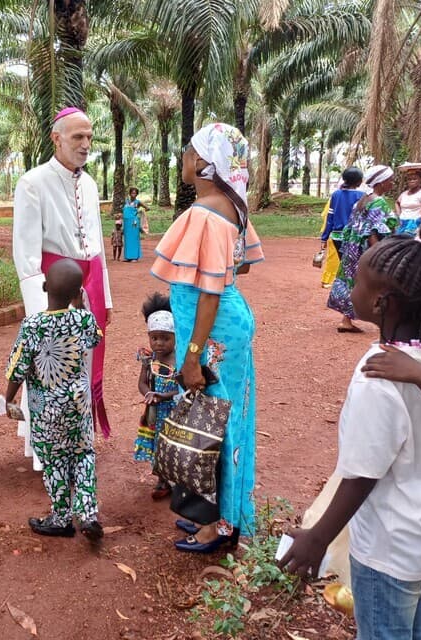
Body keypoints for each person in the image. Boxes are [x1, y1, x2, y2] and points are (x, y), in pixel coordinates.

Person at [280, 218, 421, 639]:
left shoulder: (376, 378)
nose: (350, 286)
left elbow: (361, 478)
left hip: (390, 547)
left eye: (357, 280)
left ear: (382, 302)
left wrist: (318, 539)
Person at [150, 122, 264, 553]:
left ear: (202, 162)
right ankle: (227, 514)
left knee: (215, 422)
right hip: (226, 326)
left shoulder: (204, 213)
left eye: (187, 154)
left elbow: (210, 293)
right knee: (228, 417)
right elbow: (241, 267)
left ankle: (217, 524)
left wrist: (193, 357)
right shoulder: (232, 206)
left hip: (211, 331)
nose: (182, 161)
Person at [12, 107, 113, 471]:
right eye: (77, 137)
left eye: (89, 137)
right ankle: (45, 452)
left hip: (89, 287)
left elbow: (98, 244)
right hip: (52, 289)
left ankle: (79, 441)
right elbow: (24, 253)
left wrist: (107, 297)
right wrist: (42, 310)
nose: (85, 144)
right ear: (56, 138)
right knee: (48, 370)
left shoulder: (89, 183)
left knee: (84, 366)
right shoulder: (32, 182)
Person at [3, 259, 104, 541]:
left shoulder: (33, 325)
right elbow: (95, 339)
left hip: (47, 410)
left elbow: (18, 368)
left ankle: (61, 518)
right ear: (78, 292)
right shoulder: (83, 319)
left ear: (45, 286)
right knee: (83, 455)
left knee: (54, 460)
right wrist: (82, 306)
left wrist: (9, 398)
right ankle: (88, 514)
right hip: (79, 406)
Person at [327, 165, 399, 333]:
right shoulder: (378, 202)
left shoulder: (363, 200)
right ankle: (391, 321)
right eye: (390, 180)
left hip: (352, 248)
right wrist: (378, 254)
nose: (393, 183)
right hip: (366, 250)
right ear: (380, 183)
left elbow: (354, 226)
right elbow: (373, 230)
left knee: (352, 281)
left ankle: (346, 320)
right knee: (383, 283)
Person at [133, 293, 177, 500]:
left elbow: (182, 388)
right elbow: (142, 382)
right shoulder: (148, 359)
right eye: (154, 338)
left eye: (165, 338)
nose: (159, 343)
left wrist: (164, 395)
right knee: (159, 446)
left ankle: (182, 482)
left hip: (177, 412)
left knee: (176, 446)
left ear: (176, 337)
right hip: (156, 412)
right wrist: (149, 394)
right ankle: (162, 481)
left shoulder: (180, 359)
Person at [319, 168, 366, 288]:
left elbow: (330, 217)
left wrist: (324, 238)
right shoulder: (361, 195)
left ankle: (344, 287)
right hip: (352, 235)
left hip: (336, 236)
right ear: (359, 182)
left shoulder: (336, 194)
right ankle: (350, 290)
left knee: (343, 262)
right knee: (354, 265)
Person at [395, 170, 421, 236]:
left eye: (414, 179)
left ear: (420, 180)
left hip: (415, 224)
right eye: (409, 179)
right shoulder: (404, 194)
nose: (412, 181)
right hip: (402, 223)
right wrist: (399, 215)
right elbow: (397, 203)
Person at [122, 187, 148, 261]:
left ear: (137, 194)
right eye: (132, 193)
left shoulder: (138, 202)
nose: (134, 194)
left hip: (134, 223)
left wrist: (140, 211)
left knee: (134, 239)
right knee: (127, 239)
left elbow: (147, 208)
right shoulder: (126, 201)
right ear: (129, 194)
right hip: (127, 223)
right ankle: (128, 257)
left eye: (135, 193)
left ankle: (134, 257)